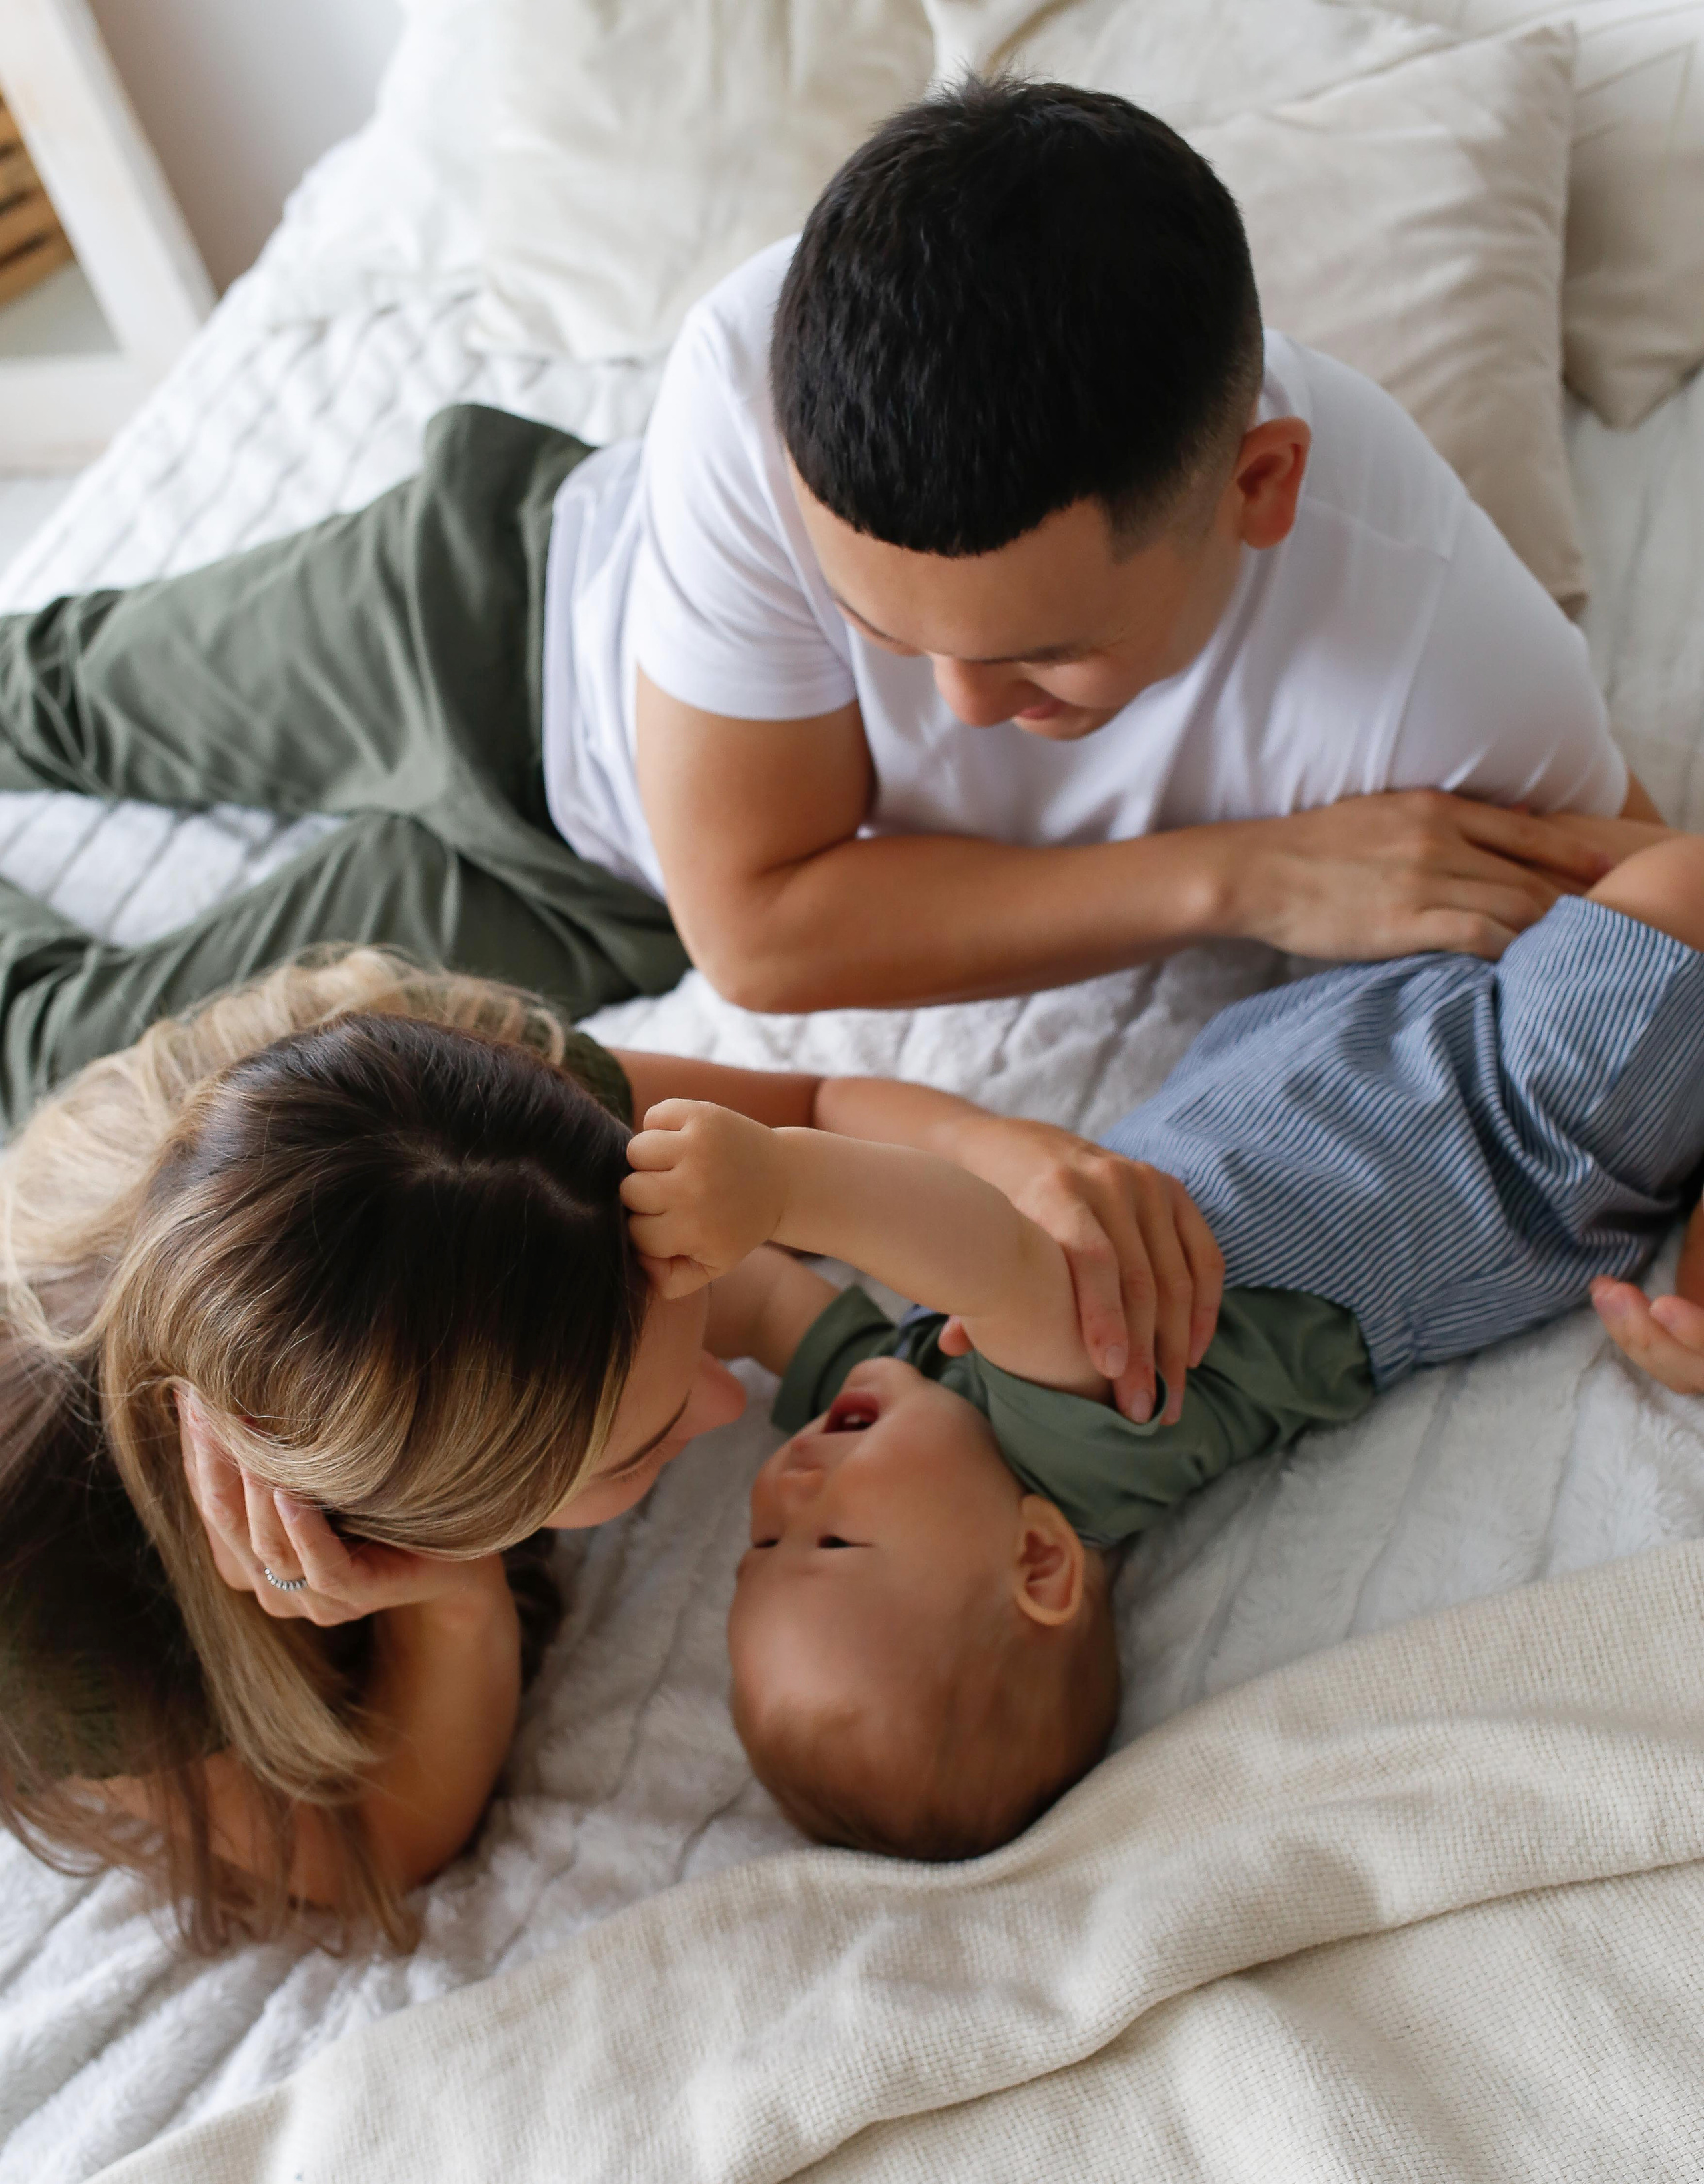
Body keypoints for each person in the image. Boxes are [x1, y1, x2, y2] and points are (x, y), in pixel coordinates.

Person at [0, 84, 1651, 1131]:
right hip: (478, 610)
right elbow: (767, 926)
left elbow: (1661, 910)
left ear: (1261, 485)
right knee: (50, 694)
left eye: (1037, 652)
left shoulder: (1443, 650)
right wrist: (1250, 876)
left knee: (65, 1068)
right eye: (889, 631)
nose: (952, 711)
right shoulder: (754, 357)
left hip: (599, 898)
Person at [0, 946, 1211, 1949]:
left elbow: (801, 1116)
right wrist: (456, 1592)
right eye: (633, 1454)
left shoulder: (465, 1128)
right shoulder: (48, 1621)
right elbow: (377, 1840)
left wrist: (1023, 1156)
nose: (735, 1411)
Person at [617, 826, 1704, 1859]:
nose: (784, 1490)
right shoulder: (1088, 1450)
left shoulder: (893, 1410)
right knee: (1681, 885)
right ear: (1039, 1558)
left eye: (758, 1551)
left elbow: (760, 1306)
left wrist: (646, 1240)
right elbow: (992, 1255)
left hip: (1373, 1040)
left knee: (1560, 840)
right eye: (832, 1544)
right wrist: (779, 1184)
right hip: (1515, 1119)